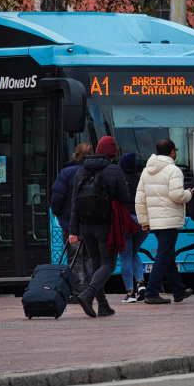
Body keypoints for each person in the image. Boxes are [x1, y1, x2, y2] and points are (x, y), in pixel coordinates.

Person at [68, 136, 132, 318]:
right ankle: (88, 295)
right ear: (113, 154)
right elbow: (124, 197)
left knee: (96, 264)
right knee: (109, 264)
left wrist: (73, 230)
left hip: (86, 226)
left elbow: (75, 203)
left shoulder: (82, 170)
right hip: (106, 224)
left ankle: (103, 306)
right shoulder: (114, 169)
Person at [135, 138, 194, 305]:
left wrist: (144, 220)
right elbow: (177, 195)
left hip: (155, 221)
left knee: (167, 255)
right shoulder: (174, 170)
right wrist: (189, 194)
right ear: (172, 152)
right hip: (169, 220)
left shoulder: (146, 171)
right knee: (163, 256)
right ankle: (152, 292)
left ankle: (178, 290)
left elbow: (140, 198)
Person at [50, 143, 94, 299]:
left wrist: (58, 213)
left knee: (74, 257)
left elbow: (58, 197)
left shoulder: (67, 172)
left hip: (71, 223)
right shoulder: (96, 172)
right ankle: (90, 290)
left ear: (75, 155)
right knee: (88, 257)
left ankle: (79, 290)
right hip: (92, 223)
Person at [117, 152, 149, 303]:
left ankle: (130, 293)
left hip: (125, 221)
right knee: (134, 253)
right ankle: (140, 283)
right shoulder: (142, 178)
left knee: (125, 258)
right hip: (142, 221)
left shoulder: (119, 178)